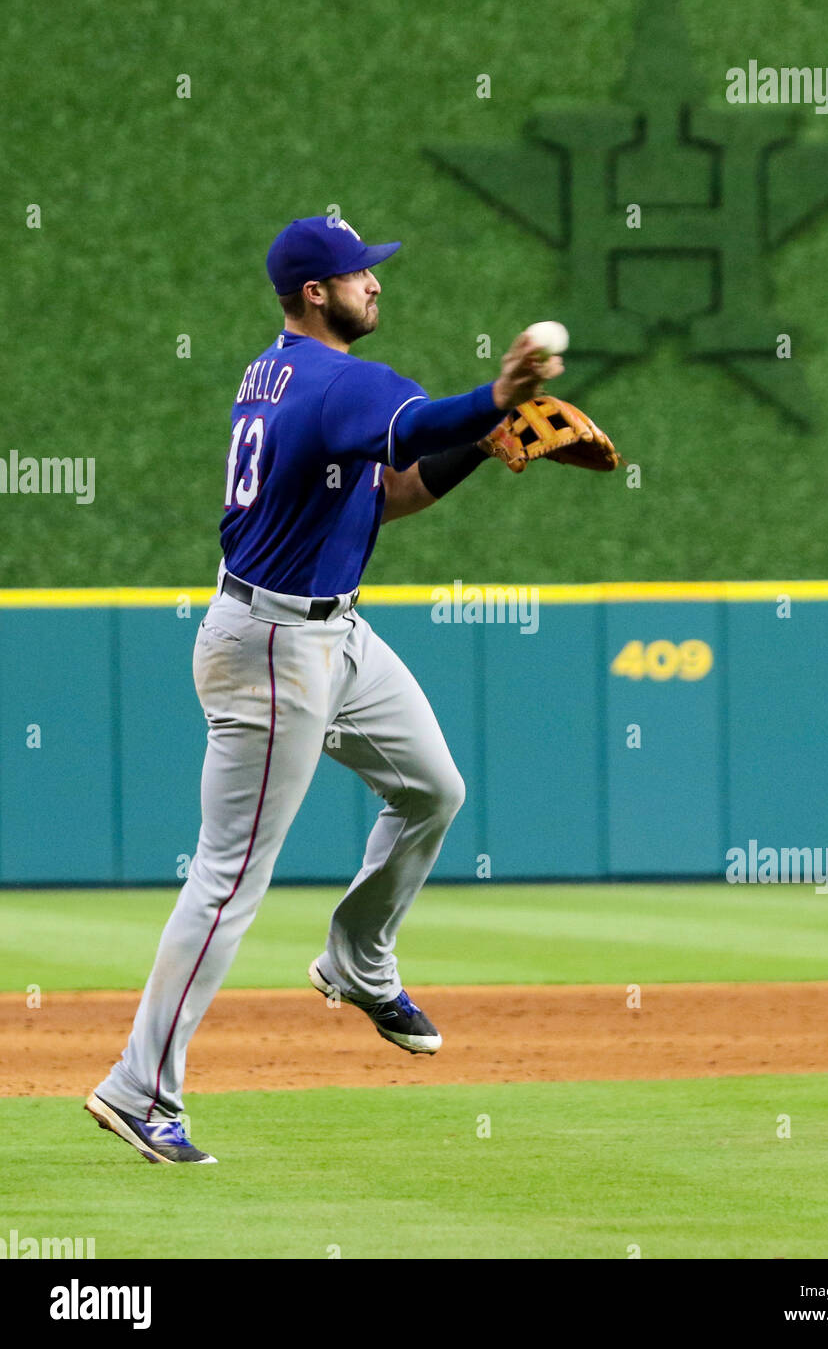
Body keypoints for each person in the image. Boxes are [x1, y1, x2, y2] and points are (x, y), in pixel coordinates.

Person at [85, 215, 563, 1163]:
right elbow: (419, 422)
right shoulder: (340, 380)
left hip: (331, 632)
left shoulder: (282, 374)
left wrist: (482, 439)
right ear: (315, 292)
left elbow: (393, 491)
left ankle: (355, 961)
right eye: (358, 273)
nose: (375, 284)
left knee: (433, 788)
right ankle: (138, 1089)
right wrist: (495, 398)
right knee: (225, 881)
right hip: (271, 646)